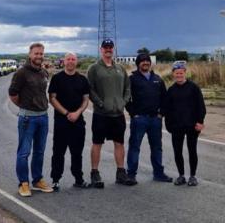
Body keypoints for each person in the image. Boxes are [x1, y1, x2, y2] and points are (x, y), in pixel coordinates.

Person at [9, 42, 53, 197]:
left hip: (43, 117)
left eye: (41, 53)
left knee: (39, 152)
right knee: (24, 152)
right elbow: (13, 94)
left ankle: (37, 180)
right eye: (36, 53)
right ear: (30, 54)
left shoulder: (44, 72)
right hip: (28, 118)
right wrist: (24, 107)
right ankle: (23, 183)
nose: (39, 56)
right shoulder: (21, 73)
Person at [87, 39, 132, 188]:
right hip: (101, 115)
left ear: (113, 49)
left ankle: (120, 173)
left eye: (110, 47)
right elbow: (90, 89)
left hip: (118, 114)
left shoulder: (120, 68)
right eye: (105, 47)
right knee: (97, 143)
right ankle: (95, 173)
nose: (108, 50)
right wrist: (100, 103)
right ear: (101, 49)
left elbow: (127, 88)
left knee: (119, 143)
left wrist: (123, 102)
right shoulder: (94, 68)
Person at [125, 53, 173, 185]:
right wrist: (133, 113)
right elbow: (126, 98)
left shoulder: (157, 78)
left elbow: (165, 98)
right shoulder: (132, 79)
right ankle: (131, 175)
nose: (145, 63)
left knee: (157, 148)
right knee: (135, 147)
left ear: (150, 63)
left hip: (155, 120)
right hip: (139, 119)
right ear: (138, 63)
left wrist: (161, 114)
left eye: (147, 61)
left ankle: (158, 173)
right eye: (142, 61)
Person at [49, 52, 91, 191]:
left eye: (73, 59)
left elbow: (86, 100)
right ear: (64, 61)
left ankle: (78, 179)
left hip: (78, 123)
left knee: (77, 153)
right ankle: (55, 180)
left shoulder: (83, 80)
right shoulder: (56, 78)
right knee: (58, 152)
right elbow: (52, 98)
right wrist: (66, 113)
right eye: (68, 59)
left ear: (76, 61)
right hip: (61, 122)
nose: (71, 61)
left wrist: (77, 113)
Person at [163, 61, 206, 186]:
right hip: (176, 126)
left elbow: (201, 107)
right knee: (177, 152)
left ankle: (193, 176)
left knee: (192, 151)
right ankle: (181, 175)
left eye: (181, 73)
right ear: (173, 74)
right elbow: (167, 109)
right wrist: (168, 125)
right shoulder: (171, 90)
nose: (179, 75)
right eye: (177, 73)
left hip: (192, 126)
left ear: (185, 73)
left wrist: (200, 122)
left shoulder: (194, 88)